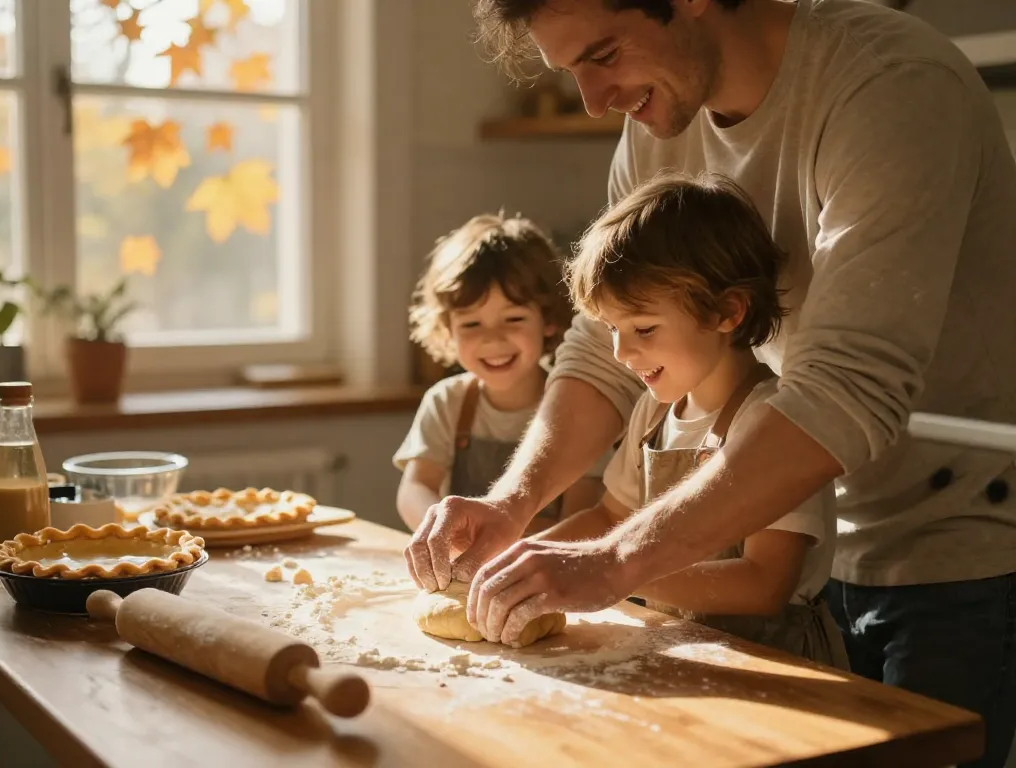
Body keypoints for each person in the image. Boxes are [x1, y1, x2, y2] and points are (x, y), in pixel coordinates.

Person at [404, 1, 1016, 766]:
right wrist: (511, 503)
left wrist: (618, 563)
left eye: (602, 54)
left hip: (952, 543)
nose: (595, 101)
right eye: (572, 73)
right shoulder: (660, 116)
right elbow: (599, 350)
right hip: (815, 558)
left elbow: (846, 389)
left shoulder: (890, 85)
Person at [538, 169, 849, 667]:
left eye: (642, 327)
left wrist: (610, 574)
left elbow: (763, 584)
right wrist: (524, 560)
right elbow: (609, 519)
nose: (620, 352)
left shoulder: (776, 423)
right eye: (612, 329)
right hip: (681, 653)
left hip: (775, 667)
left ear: (727, 312)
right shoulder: (655, 410)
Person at [394, 211, 603, 535]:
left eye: (514, 319)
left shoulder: (579, 404)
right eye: (471, 324)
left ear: (547, 319)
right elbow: (414, 489)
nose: (492, 338)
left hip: (546, 570)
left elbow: (581, 517)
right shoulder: (447, 402)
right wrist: (440, 533)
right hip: (463, 571)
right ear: (448, 330)